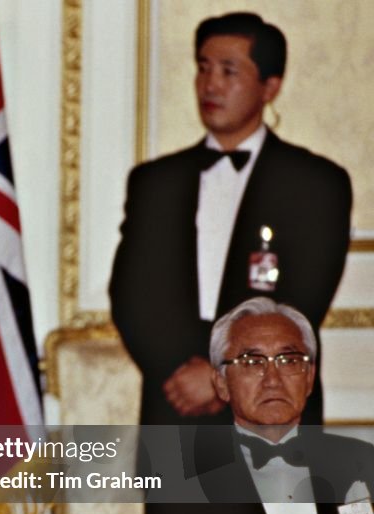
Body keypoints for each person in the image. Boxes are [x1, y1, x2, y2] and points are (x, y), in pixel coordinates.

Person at [109, 11, 351, 428]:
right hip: (176, 404)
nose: (210, 84)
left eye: (228, 70)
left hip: (272, 407)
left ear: (269, 87)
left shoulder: (317, 183)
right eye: (203, 68)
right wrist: (179, 374)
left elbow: (304, 298)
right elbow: (131, 295)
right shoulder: (154, 182)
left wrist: (222, 372)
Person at [144, 298, 374, 514]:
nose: (272, 379)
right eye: (252, 362)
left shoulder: (359, 461)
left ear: (309, 378)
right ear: (221, 383)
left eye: (289, 360)